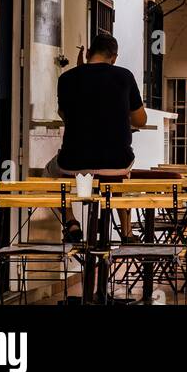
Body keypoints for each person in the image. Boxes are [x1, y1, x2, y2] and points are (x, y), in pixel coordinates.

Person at [47, 31, 146, 243]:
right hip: (117, 163)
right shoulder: (124, 76)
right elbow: (140, 120)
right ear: (114, 57)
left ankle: (71, 222)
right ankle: (127, 232)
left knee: (48, 173)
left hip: (72, 164)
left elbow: (65, 116)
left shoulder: (67, 78)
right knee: (117, 180)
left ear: (88, 52)